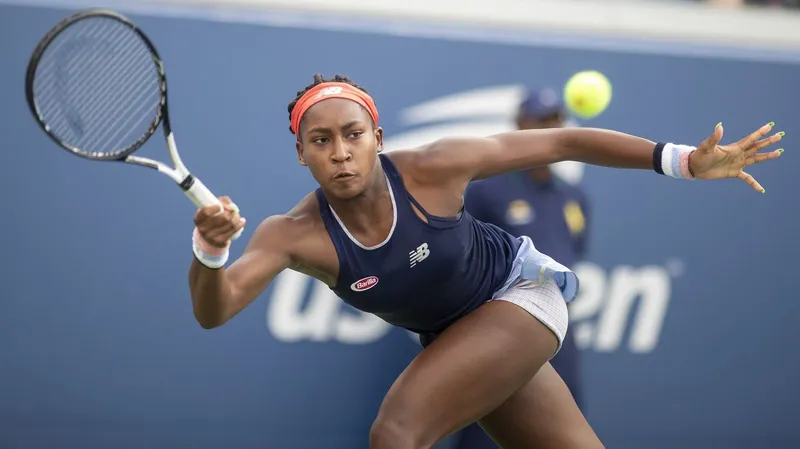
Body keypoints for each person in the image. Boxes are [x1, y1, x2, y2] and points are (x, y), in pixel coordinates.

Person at [188, 74, 782, 449]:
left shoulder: (434, 166)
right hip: (457, 334)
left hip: (520, 296)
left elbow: (565, 142)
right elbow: (214, 312)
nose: (341, 153)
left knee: (396, 433)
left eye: (353, 134)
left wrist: (683, 161)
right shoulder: (291, 235)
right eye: (321, 142)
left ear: (378, 137)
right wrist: (210, 251)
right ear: (301, 154)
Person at [451, 87, 591, 449]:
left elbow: (572, 257)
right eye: (541, 121)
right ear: (519, 125)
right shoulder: (485, 190)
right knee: (487, 435)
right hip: (498, 335)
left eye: (556, 121)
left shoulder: (573, 196)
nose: (550, 129)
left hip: (558, 335)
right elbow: (464, 263)